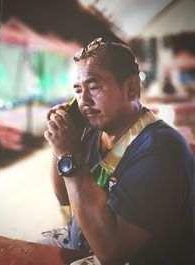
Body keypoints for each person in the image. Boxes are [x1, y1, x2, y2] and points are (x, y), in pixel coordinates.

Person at [43, 37, 195, 265]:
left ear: (131, 88)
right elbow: (64, 197)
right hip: (79, 242)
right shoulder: (91, 129)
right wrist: (61, 145)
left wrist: (69, 156)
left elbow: (112, 254)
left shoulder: (160, 151)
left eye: (94, 87)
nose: (83, 101)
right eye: (78, 90)